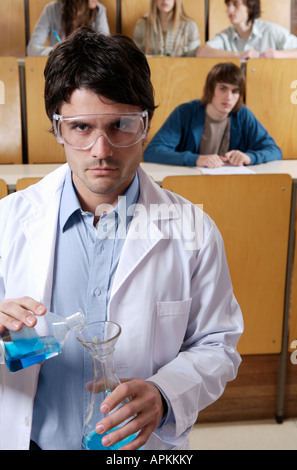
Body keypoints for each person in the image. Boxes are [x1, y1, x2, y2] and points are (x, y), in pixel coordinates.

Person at [0, 28, 243, 450]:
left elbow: (219, 345)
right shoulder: (9, 220)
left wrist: (165, 394)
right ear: (57, 128)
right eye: (80, 127)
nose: (101, 149)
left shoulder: (193, 230)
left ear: (146, 124)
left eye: (121, 125)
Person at [143, 62, 282, 167]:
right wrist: (195, 159)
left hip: (230, 185)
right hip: (189, 185)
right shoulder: (186, 112)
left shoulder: (242, 114)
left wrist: (249, 157)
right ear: (210, 90)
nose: (229, 97)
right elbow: (153, 152)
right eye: (223, 89)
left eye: (235, 91)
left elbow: (275, 151)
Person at [196, 0, 297, 60]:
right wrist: (239, 55)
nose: (229, 10)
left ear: (249, 6)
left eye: (235, 4)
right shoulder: (225, 35)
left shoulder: (271, 31)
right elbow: (201, 53)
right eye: (228, 5)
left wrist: (279, 54)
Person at [27, 0, 110, 56]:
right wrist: (53, 51)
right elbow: (31, 49)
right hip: (61, 72)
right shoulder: (51, 10)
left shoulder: (99, 10)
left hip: (89, 72)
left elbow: (106, 48)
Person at [133, 0, 200, 57]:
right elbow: (136, 55)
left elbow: (194, 58)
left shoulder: (190, 26)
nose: (165, 0)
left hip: (182, 70)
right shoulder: (142, 24)